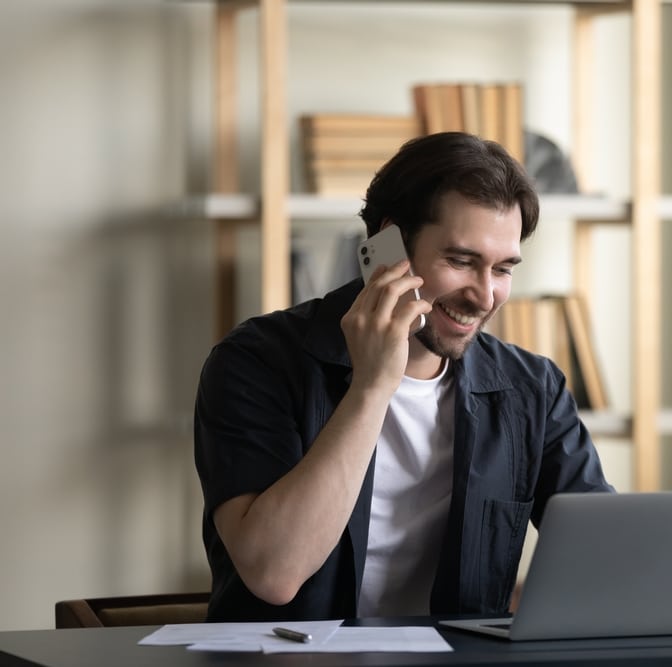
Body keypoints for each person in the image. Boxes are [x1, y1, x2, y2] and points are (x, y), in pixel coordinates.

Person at [194, 132, 614, 622]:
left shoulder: (531, 389)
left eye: (502, 269)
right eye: (460, 261)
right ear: (389, 245)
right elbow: (273, 574)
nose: (485, 296)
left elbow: (607, 560)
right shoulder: (255, 363)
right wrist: (372, 388)